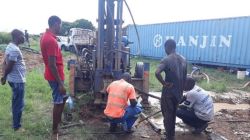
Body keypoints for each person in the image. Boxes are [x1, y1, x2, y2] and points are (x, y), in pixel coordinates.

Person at [40, 15, 67, 140]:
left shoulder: (46, 37)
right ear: (55, 23)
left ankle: (58, 122)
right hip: (55, 76)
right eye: (60, 24)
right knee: (58, 102)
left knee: (62, 99)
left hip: (55, 75)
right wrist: (60, 84)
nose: (60, 26)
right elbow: (52, 64)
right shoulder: (50, 40)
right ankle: (55, 130)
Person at [155, 39, 187, 140]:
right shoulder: (183, 59)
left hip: (168, 92)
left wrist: (164, 83)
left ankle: (169, 137)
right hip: (178, 92)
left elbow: (157, 72)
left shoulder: (166, 59)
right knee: (173, 114)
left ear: (167, 47)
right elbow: (185, 77)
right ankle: (171, 135)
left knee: (168, 115)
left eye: (165, 48)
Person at [1, 29, 26, 131]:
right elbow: (9, 66)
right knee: (18, 103)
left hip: (14, 79)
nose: (24, 38)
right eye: (22, 35)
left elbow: (4, 63)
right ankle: (17, 126)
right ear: (18, 36)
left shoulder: (9, 46)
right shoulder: (14, 49)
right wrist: (4, 77)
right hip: (17, 81)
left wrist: (4, 76)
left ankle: (16, 121)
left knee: (16, 101)